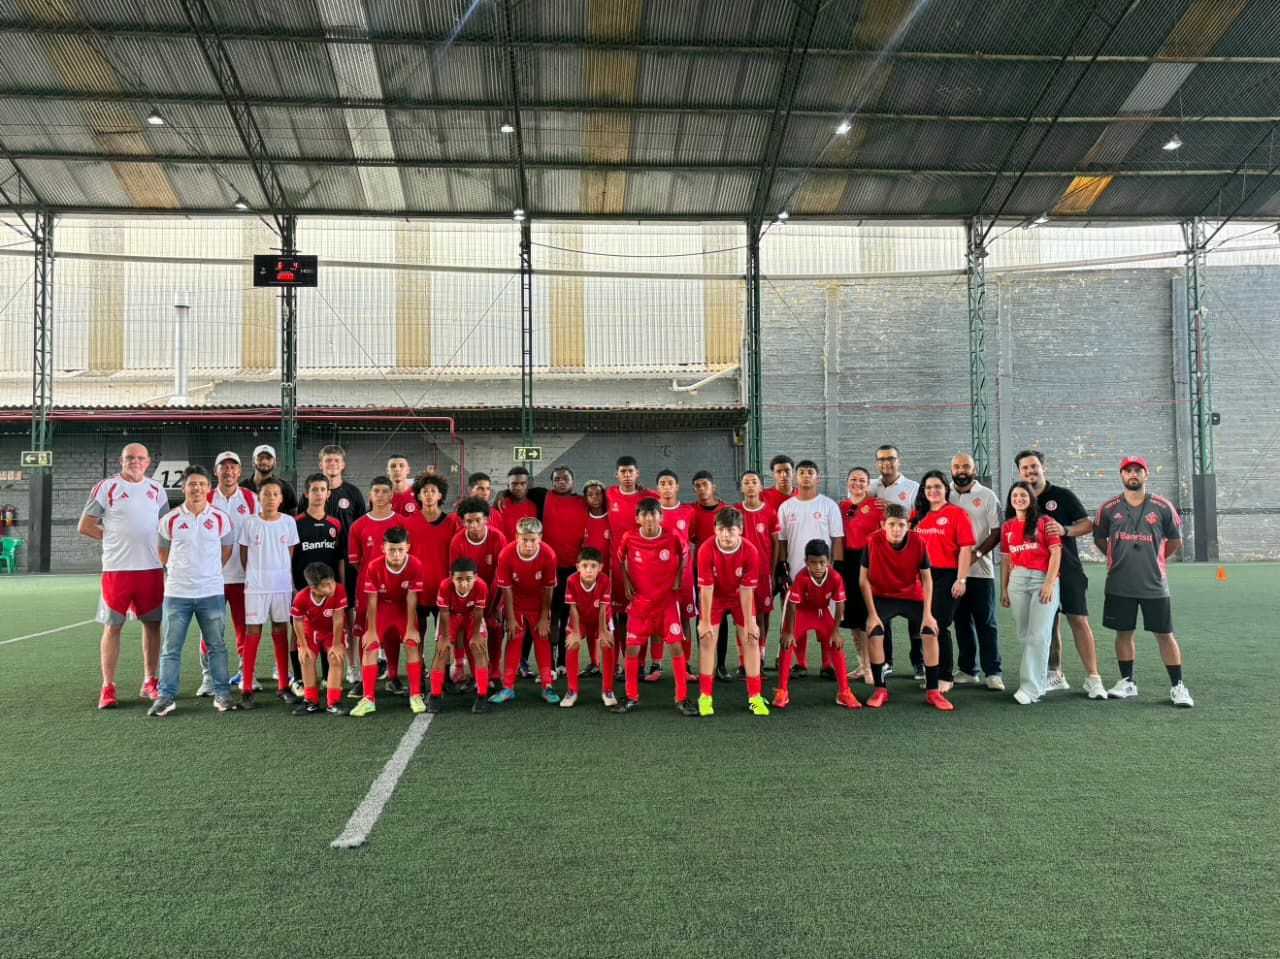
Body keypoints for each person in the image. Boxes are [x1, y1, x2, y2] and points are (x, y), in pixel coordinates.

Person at [1092, 457, 1193, 707]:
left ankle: (1178, 686)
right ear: (1121, 475)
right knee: (1124, 633)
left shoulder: (1163, 506)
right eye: (1128, 471)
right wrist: (1115, 557)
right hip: (1119, 583)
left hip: (1154, 584)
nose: (1133, 474)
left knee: (1164, 634)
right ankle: (1127, 682)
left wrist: (1157, 559)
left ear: (1146, 475)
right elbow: (1100, 539)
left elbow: (1175, 540)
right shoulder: (1108, 508)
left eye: (1138, 470)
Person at [78, 443, 168, 709]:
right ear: (121, 461)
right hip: (117, 570)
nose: (135, 462)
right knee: (113, 627)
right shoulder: (106, 487)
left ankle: (150, 681)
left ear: (148, 462)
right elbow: (85, 526)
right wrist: (111, 539)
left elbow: (166, 529)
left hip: (151, 569)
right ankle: (108, 687)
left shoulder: (157, 490)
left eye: (141, 458)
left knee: (153, 625)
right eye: (130, 458)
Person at [1014, 450, 1107, 699]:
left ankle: (1094, 678)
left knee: (1078, 620)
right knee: (1047, 625)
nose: (1030, 471)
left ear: (1043, 467)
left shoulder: (1062, 496)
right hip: (1038, 575)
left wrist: (1065, 530)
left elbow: (1087, 524)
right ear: (1020, 472)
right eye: (1025, 468)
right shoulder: (1019, 499)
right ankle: (1055, 674)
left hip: (1068, 570)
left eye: (1034, 466)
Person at [148, 466, 236, 716]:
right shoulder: (170, 519)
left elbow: (227, 550)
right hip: (177, 593)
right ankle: (166, 697)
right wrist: (181, 572)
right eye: (192, 484)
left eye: (201, 484)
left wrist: (208, 573)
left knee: (217, 645)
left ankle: (222, 693)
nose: (197, 488)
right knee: (171, 648)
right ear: (183, 488)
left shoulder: (220, 518)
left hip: (211, 592)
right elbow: (163, 553)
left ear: (209, 488)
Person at [860, 504, 951, 711]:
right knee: (874, 631)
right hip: (883, 595)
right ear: (883, 525)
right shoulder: (872, 541)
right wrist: (872, 614)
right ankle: (880, 689)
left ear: (908, 526)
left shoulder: (918, 541)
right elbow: (863, 580)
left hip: (912, 595)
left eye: (901, 525)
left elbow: (927, 579)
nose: (896, 529)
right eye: (892, 524)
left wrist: (928, 614)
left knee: (930, 631)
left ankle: (933, 691)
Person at [613, 498, 696, 716]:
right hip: (640, 604)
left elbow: (686, 553)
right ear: (637, 518)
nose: (649, 518)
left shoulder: (672, 535)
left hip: (667, 603)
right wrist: (626, 580)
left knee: (676, 647)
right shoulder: (629, 537)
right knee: (632, 649)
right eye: (644, 514)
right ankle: (631, 696)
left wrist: (679, 576)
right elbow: (620, 557)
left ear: (661, 517)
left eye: (653, 514)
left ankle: (682, 698)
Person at [695, 509, 769, 717]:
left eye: (730, 530)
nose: (725, 535)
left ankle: (755, 697)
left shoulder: (750, 551)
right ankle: (705, 696)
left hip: (739, 596)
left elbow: (746, 591)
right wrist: (705, 621)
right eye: (721, 530)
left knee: (751, 639)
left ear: (741, 530)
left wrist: (750, 623)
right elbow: (706, 589)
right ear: (715, 529)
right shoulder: (706, 549)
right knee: (707, 640)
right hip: (715, 597)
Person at [772, 539, 861, 711]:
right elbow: (792, 605)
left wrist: (836, 631)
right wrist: (789, 631)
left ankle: (844, 692)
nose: (818, 567)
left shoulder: (835, 577)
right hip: (802, 612)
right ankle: (782, 691)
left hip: (821, 611)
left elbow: (840, 604)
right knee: (786, 644)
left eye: (822, 562)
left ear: (829, 561)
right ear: (806, 562)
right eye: (813, 563)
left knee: (837, 644)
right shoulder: (802, 577)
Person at [236, 478, 301, 709]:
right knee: (253, 631)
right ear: (259, 498)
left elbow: (289, 553)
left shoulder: (288, 523)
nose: (271, 498)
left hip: (281, 585)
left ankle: (283, 686)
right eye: (266, 494)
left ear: (281, 498)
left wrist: (280, 573)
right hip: (257, 586)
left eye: (275, 494)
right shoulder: (249, 523)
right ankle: (246, 688)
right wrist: (256, 575)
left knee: (281, 629)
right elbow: (244, 555)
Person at [776, 459, 844, 678]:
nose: (806, 476)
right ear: (796, 477)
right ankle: (801, 664)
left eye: (810, 472)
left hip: (823, 575)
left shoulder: (828, 505)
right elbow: (782, 540)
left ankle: (827, 664)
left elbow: (837, 539)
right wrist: (783, 568)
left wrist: (834, 571)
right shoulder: (786, 507)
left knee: (826, 617)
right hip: (797, 574)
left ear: (818, 478)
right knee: (796, 617)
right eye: (802, 472)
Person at [910, 470, 976, 691]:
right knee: (926, 626)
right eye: (928, 487)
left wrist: (961, 579)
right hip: (922, 576)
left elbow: (966, 548)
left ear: (946, 489)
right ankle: (933, 675)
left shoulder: (957, 514)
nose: (933, 491)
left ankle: (945, 677)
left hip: (947, 576)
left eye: (937, 486)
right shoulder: (918, 515)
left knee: (939, 625)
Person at [350, 527, 425, 717]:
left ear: (407, 547)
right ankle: (368, 699)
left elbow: (411, 598)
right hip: (382, 608)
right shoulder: (374, 566)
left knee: (412, 643)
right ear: (383, 548)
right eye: (391, 550)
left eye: (400, 550)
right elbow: (372, 599)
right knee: (370, 645)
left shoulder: (415, 564)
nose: (396, 554)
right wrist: (371, 630)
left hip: (402, 609)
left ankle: (415, 695)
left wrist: (411, 628)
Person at [1000, 481, 1062, 705]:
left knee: (1038, 636)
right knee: (1025, 635)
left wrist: (1049, 583)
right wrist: (1004, 588)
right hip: (1017, 581)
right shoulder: (1007, 527)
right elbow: (1006, 560)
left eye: (1023, 495)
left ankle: (1030, 688)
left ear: (1031, 498)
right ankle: (1039, 682)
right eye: (1015, 496)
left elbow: (1056, 553)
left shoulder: (1045, 522)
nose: (1019, 499)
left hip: (1041, 580)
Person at [200, 451, 257, 696]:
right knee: (211, 629)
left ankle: (246, 674)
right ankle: (209, 677)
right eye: (224, 467)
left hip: (243, 577)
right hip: (212, 579)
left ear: (240, 471)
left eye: (233, 467)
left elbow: (258, 533)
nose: (229, 471)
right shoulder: (206, 497)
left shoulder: (252, 499)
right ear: (216, 471)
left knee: (245, 628)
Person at [489, 517, 560, 705]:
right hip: (516, 604)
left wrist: (544, 617)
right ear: (517, 537)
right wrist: (511, 618)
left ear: (540, 538)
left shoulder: (549, 555)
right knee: (514, 638)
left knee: (542, 639)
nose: (529, 544)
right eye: (524, 539)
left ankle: (547, 686)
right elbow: (506, 589)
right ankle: (508, 688)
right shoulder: (506, 554)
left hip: (539, 605)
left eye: (533, 540)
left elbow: (549, 589)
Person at [948, 454, 1005, 691]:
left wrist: (977, 554)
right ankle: (968, 670)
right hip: (952, 572)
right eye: (957, 466)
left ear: (975, 469)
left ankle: (993, 672)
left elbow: (997, 531)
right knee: (961, 622)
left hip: (981, 572)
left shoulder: (988, 496)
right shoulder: (945, 493)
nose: (961, 470)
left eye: (966, 466)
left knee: (986, 622)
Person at [347, 476, 406, 693]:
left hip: (395, 589)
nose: (380, 495)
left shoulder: (401, 522)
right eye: (376, 491)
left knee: (392, 633)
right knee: (365, 632)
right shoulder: (358, 525)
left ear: (391, 495)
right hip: (366, 588)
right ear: (370, 495)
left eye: (384, 491)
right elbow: (356, 562)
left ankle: (393, 676)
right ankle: (365, 679)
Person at [291, 472, 347, 690]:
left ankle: (326, 678)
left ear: (328, 494)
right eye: (314, 489)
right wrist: (293, 586)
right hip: (302, 589)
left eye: (323, 489)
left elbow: (340, 558)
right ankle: (298, 679)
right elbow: (289, 557)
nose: (319, 493)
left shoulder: (335, 524)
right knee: (298, 631)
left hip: (330, 590)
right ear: (306, 493)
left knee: (329, 629)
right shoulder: (296, 523)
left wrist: (342, 586)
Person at [449, 497, 508, 694]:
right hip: (470, 598)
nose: (473, 525)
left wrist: (498, 605)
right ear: (462, 522)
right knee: (470, 633)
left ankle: (495, 673)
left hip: (494, 596)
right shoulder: (457, 541)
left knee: (495, 628)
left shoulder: (498, 538)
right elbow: (456, 577)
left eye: (477, 520)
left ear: (486, 519)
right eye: (469, 521)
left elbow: (503, 574)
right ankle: (476, 675)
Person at [403, 472, 457, 681]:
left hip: (444, 588)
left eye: (433, 491)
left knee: (445, 634)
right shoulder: (408, 523)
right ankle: (419, 672)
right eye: (424, 491)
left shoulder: (451, 523)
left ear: (440, 495)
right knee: (418, 632)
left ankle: (445, 674)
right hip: (417, 590)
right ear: (418, 495)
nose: (428, 494)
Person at [320, 444, 367, 676]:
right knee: (321, 614)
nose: (332, 465)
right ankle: (325, 668)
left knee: (348, 614)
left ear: (343, 465)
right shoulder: (313, 491)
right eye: (328, 461)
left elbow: (362, 529)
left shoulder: (353, 493)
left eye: (336, 461)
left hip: (347, 564)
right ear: (321, 465)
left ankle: (353, 666)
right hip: (321, 563)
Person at [539, 466, 589, 677]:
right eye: (557, 479)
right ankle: (550, 662)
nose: (561, 481)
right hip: (550, 569)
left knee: (569, 617)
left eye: (565, 478)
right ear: (552, 482)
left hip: (573, 570)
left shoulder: (583, 501)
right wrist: (500, 494)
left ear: (573, 481)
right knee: (552, 616)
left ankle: (562, 661)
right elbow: (514, 492)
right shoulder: (543, 496)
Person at [838, 467, 884, 685]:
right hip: (848, 563)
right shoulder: (843, 507)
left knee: (868, 616)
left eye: (862, 480)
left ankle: (873, 666)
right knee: (853, 618)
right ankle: (862, 664)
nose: (857, 483)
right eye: (853, 479)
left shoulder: (878, 505)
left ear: (868, 484)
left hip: (869, 562)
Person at [428, 558, 491, 715]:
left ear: (475, 577)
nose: (463, 584)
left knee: (479, 648)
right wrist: (445, 637)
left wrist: (476, 635)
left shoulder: (481, 586)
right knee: (442, 651)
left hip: (471, 615)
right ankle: (435, 695)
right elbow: (443, 613)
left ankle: (482, 695)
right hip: (451, 615)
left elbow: (478, 611)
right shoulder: (445, 586)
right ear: (451, 577)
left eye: (468, 579)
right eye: (459, 579)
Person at [736, 470, 783, 679]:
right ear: (741, 487)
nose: (750, 485)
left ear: (761, 487)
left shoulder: (770, 512)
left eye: (754, 482)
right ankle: (743, 662)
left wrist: (772, 572)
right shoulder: (735, 512)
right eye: (746, 482)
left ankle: (760, 658)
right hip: (740, 576)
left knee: (762, 616)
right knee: (743, 617)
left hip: (763, 575)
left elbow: (775, 544)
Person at [654, 468, 697, 682]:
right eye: (663, 484)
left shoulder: (689, 511)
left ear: (677, 487)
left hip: (685, 576)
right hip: (658, 577)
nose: (667, 487)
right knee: (656, 620)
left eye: (670, 483)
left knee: (686, 620)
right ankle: (656, 664)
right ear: (657, 488)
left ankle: (686, 665)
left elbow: (694, 537)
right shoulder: (653, 512)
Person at [289, 562, 349, 715]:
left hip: (332, 632)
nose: (331, 587)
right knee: (307, 658)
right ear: (313, 588)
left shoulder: (340, 590)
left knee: (336, 658)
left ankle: (333, 702)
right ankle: (311, 701)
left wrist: (336, 645)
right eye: (325, 585)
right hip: (311, 632)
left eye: (332, 582)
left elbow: (338, 619)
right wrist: (303, 646)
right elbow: (297, 621)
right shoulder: (301, 597)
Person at [561, 547, 614, 709]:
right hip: (580, 619)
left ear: (600, 567)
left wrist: (603, 632)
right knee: (572, 644)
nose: (589, 570)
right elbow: (573, 608)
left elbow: (603, 608)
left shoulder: (605, 580)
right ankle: (572, 691)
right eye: (584, 566)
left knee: (607, 644)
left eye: (593, 566)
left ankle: (608, 690)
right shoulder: (571, 580)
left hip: (601, 618)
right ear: (578, 567)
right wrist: (576, 633)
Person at [607, 456, 647, 643]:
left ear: (637, 474)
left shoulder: (650, 496)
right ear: (616, 475)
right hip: (618, 566)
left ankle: (644, 658)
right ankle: (623, 657)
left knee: (644, 615)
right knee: (620, 616)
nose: (627, 475)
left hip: (643, 565)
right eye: (623, 472)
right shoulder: (609, 494)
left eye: (631, 471)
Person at [239, 444, 297, 515]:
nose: (264, 461)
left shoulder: (285, 487)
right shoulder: (242, 488)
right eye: (260, 458)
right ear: (253, 462)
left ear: (275, 463)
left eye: (268, 458)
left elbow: (293, 514)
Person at [493, 465, 539, 541]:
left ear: (528, 485)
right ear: (508, 486)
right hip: (505, 548)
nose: (518, 488)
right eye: (514, 484)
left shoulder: (536, 506)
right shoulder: (500, 505)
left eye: (522, 483)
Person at [868, 445, 920, 510]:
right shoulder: (867, 486)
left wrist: (894, 509)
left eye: (891, 459)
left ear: (899, 462)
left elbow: (921, 515)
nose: (886, 463)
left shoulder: (914, 488)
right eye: (881, 459)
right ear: (876, 463)